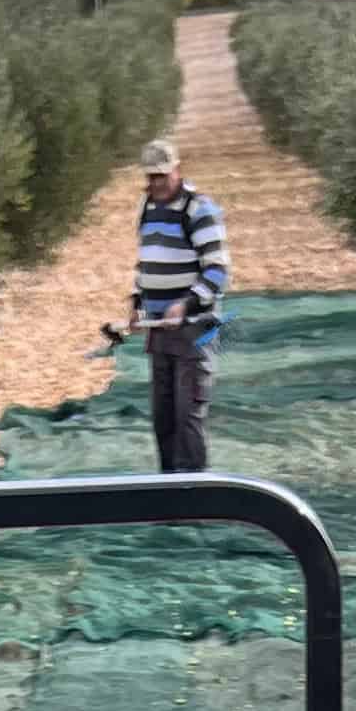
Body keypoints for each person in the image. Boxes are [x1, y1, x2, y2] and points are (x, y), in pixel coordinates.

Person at [117, 135, 231, 471]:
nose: (156, 183)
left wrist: (185, 305)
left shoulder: (200, 210)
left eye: (162, 176)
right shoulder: (147, 208)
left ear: (177, 171)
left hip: (194, 332)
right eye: (150, 176)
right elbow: (146, 263)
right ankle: (166, 488)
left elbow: (218, 272)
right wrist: (138, 303)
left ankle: (194, 494)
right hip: (159, 332)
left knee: (188, 417)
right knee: (162, 417)